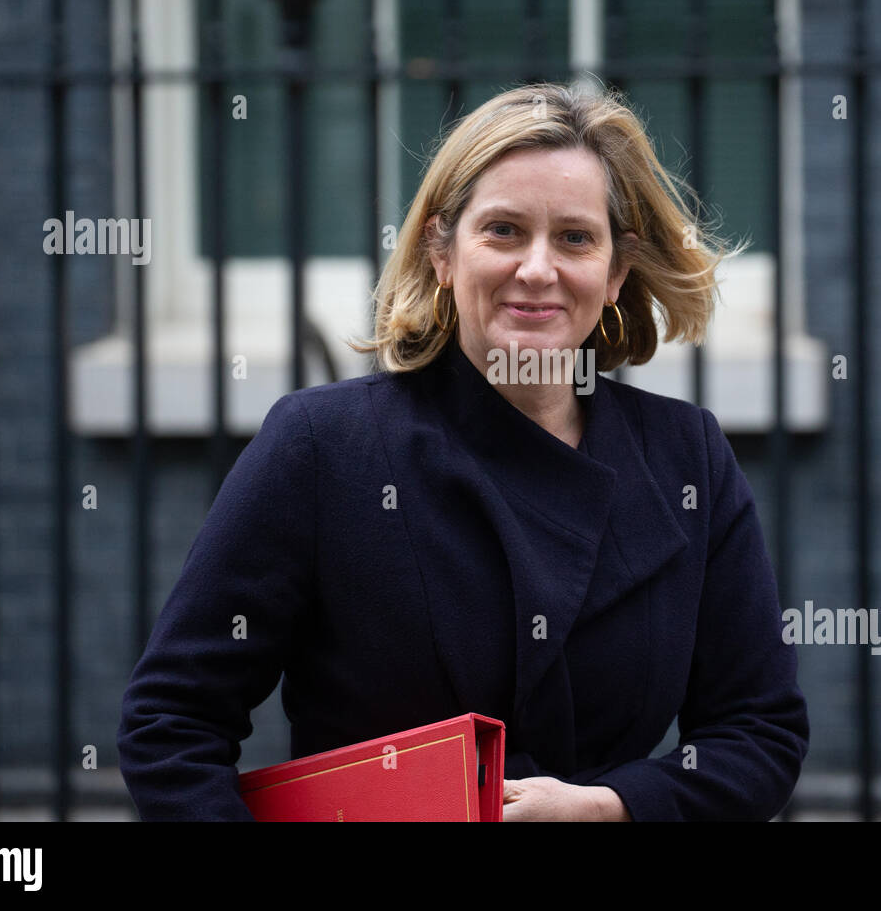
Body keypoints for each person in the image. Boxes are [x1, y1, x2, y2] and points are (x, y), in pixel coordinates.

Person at [116, 81, 810, 821]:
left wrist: (612, 806)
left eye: (575, 238)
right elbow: (171, 722)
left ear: (614, 273)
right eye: (504, 231)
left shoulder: (686, 461)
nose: (537, 269)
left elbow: (758, 732)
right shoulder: (326, 446)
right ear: (441, 252)